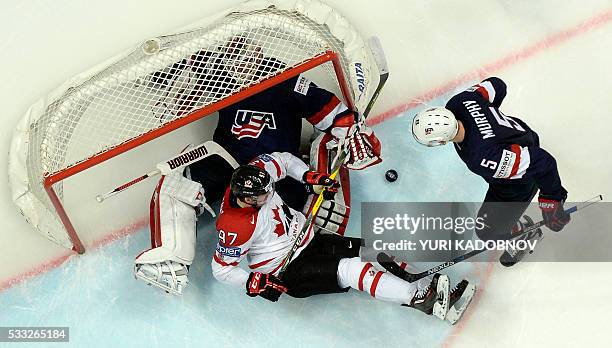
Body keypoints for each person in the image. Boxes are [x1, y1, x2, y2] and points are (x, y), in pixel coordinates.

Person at [133, 36, 382, 294]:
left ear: (259, 50)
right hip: (228, 165)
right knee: (178, 180)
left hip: (274, 178)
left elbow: (335, 116)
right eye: (233, 56)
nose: (241, 64)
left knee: (328, 144)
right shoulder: (219, 75)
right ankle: (171, 263)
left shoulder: (287, 79)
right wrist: (170, 79)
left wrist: (355, 135)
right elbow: (173, 102)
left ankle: (319, 230)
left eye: (246, 53)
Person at [211, 152, 473, 322]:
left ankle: (434, 290)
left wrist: (309, 177)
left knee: (376, 250)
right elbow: (221, 269)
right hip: (288, 269)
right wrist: (253, 281)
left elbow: (284, 160)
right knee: (352, 269)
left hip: (309, 240)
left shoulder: (257, 174)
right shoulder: (235, 225)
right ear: (245, 198)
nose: (270, 195)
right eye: (263, 196)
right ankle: (418, 298)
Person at [411, 77, 570, 266]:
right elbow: (497, 85)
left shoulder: (482, 157)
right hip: (524, 136)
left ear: (441, 141)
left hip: (518, 183)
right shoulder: (459, 102)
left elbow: (542, 162)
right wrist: (489, 121)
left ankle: (524, 234)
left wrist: (552, 200)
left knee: (487, 231)